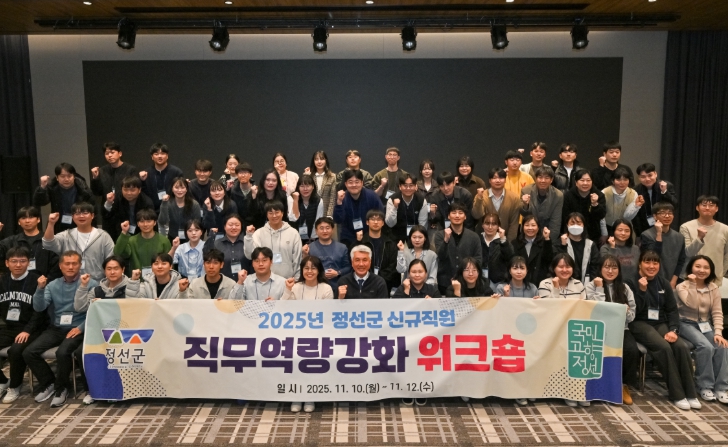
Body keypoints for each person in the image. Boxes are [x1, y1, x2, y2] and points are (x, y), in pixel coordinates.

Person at [627, 250, 700, 410]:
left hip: (660, 323)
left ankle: (691, 393)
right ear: (640, 264)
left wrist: (674, 330)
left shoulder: (663, 283)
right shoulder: (630, 282)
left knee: (681, 346)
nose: (651, 266)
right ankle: (677, 394)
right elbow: (633, 311)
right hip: (638, 323)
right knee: (663, 347)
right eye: (647, 262)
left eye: (655, 263)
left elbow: (672, 310)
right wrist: (642, 291)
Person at [25, 250, 97, 407]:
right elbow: (39, 307)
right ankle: (49, 382)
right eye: (67, 264)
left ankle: (61, 388)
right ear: (60, 266)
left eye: (74, 263)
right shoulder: (52, 285)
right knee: (29, 352)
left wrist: (81, 328)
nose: (70, 267)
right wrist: (40, 289)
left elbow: (96, 312)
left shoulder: (90, 283)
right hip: (57, 328)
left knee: (62, 352)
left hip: (78, 327)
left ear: (80, 265)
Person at [281, 255, 334, 413]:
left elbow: (327, 315)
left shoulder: (326, 288)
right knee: (295, 362)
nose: (309, 271)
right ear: (301, 270)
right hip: (296, 334)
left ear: (319, 270)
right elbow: (282, 309)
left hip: (319, 335)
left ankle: (310, 396)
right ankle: (297, 396)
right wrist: (287, 290)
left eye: (313, 268)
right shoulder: (295, 287)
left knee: (312, 363)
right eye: (306, 268)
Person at [585, 255, 638, 405]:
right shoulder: (590, 286)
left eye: (614, 267)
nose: (610, 271)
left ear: (619, 270)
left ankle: (623, 385)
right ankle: (596, 386)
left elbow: (632, 316)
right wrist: (599, 288)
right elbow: (595, 310)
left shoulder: (625, 288)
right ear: (600, 269)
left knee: (631, 350)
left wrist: (627, 311)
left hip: (621, 328)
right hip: (598, 328)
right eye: (606, 267)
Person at [676, 255, 728, 404]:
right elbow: (691, 304)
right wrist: (693, 284)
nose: (702, 270)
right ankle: (704, 386)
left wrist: (718, 333)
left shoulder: (713, 288)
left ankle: (721, 387)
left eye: (706, 267)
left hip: (705, 324)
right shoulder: (682, 286)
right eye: (698, 266)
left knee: (722, 346)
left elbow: (717, 312)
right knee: (705, 347)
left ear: (710, 270)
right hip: (685, 323)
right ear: (691, 268)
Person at [0, 247, 44, 404]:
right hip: (9, 327)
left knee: (16, 350)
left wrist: (27, 330)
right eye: (14, 261)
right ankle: (3, 381)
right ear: (7, 263)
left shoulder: (37, 281)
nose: (18, 265)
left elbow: (40, 312)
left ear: (28, 263)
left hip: (31, 328)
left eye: (22, 261)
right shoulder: (3, 281)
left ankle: (15, 386)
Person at [42, 203, 114, 281]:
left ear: (92, 215)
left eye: (85, 213)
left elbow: (111, 259)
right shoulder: (66, 235)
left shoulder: (103, 236)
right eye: (77, 213)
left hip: (97, 282)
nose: (81, 216)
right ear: (72, 217)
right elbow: (48, 243)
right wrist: (51, 223)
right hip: (71, 282)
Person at [245, 201, 302, 279]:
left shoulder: (293, 233)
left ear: (282, 213)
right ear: (267, 215)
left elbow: (297, 259)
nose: (274, 216)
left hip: (288, 280)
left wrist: (296, 279)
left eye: (277, 212)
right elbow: (250, 255)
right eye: (270, 213)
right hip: (265, 280)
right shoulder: (259, 233)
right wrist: (248, 237)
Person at [0, 206, 60, 281]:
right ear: (19, 222)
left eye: (31, 217)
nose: (27, 221)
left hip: (44, 282)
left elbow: (56, 263)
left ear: (38, 219)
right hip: (16, 282)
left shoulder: (48, 240)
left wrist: (48, 280)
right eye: (23, 218)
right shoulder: (11, 241)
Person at [434, 202, 482, 294]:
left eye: (460, 213)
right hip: (445, 283)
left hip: (468, 283)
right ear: (448, 216)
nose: (457, 216)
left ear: (465, 216)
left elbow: (478, 260)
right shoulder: (440, 235)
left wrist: (469, 275)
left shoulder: (474, 236)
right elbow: (441, 256)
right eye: (453, 212)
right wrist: (446, 240)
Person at [680, 195, 728, 286]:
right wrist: (699, 238)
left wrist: (720, 273)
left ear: (716, 209)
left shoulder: (725, 229)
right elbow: (688, 253)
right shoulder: (686, 227)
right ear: (697, 208)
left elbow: (727, 256)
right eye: (704, 205)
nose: (707, 208)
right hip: (691, 277)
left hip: (714, 278)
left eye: (711, 205)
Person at [33, 162, 94, 234]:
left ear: (74, 176)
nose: (66, 179)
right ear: (57, 178)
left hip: (80, 223)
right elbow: (39, 202)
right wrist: (43, 187)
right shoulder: (53, 188)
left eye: (69, 176)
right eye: (62, 176)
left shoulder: (83, 189)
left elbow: (93, 209)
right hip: (59, 223)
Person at [333, 169, 383, 247]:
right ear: (345, 184)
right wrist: (339, 202)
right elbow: (338, 220)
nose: (354, 185)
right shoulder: (342, 197)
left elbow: (380, 215)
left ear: (362, 183)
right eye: (350, 182)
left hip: (369, 235)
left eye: (357, 182)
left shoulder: (372, 196)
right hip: (348, 237)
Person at [641, 203, 687, 287]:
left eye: (670, 213)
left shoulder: (679, 237)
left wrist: (674, 281)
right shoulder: (647, 235)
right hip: (652, 280)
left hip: (672, 281)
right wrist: (659, 233)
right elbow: (653, 258)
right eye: (662, 213)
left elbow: (681, 261)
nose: (667, 216)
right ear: (655, 216)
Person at [354, 210, 400, 293]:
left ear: (383, 223)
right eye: (372, 219)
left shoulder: (390, 243)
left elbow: (393, 266)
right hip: (364, 283)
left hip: (384, 284)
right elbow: (355, 262)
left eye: (379, 219)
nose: (376, 222)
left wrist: (380, 279)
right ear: (367, 222)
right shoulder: (361, 242)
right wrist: (370, 278)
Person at [74, 256, 140, 312]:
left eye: (116, 268)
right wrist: (83, 286)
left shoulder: (132, 286)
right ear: (104, 271)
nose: (112, 272)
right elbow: (80, 308)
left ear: (123, 269)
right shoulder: (96, 291)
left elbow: (132, 307)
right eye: (109, 269)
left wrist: (103, 303)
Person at [472, 168, 520, 241]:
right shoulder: (481, 196)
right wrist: (479, 199)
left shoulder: (514, 198)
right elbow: (477, 215)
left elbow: (514, 224)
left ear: (505, 180)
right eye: (494, 178)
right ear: (489, 180)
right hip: (483, 240)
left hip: (504, 239)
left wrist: (508, 243)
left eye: (501, 178)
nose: (498, 181)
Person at [102, 176, 155, 241]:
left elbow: (150, 222)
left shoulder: (147, 202)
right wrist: (109, 203)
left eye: (132, 190)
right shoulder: (117, 198)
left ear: (139, 190)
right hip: (120, 232)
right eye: (125, 190)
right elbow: (107, 217)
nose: (129, 193)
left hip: (140, 234)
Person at [303, 217, 351, 289]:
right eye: (321, 228)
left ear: (332, 230)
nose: (325, 231)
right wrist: (305, 254)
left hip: (336, 286)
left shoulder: (342, 248)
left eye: (327, 228)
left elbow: (348, 267)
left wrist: (337, 273)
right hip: (315, 286)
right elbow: (305, 267)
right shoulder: (309, 248)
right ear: (316, 231)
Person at [633, 163, 679, 236]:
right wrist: (639, 234)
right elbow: (636, 216)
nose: (647, 179)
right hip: (644, 229)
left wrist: (664, 192)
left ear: (655, 174)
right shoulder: (636, 190)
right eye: (643, 177)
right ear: (639, 178)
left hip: (664, 226)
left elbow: (675, 205)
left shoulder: (666, 185)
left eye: (650, 175)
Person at [561, 168, 606, 241]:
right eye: (582, 180)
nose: (585, 183)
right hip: (573, 232)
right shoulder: (568, 196)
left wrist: (595, 204)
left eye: (588, 180)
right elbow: (565, 217)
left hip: (593, 234)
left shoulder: (599, 195)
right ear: (576, 182)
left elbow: (601, 215)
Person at [555, 212, 600, 283]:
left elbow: (595, 266)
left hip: (587, 283)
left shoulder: (591, 244)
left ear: (583, 225)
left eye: (579, 223)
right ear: (567, 225)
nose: (575, 226)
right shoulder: (560, 242)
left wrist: (591, 283)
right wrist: (563, 246)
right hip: (566, 282)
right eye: (572, 223)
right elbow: (557, 263)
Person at [139, 143, 184, 213]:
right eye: (156, 154)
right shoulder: (146, 174)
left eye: (163, 153)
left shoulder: (177, 172)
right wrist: (142, 181)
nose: (160, 156)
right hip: (151, 211)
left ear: (167, 156)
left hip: (172, 210)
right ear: (152, 157)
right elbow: (143, 195)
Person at [520, 166, 563, 238]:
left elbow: (555, 222)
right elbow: (525, 216)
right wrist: (525, 205)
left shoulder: (558, 195)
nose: (543, 180)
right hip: (529, 231)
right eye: (540, 177)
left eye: (546, 178)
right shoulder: (526, 190)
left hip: (547, 231)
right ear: (535, 178)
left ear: (551, 180)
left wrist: (549, 240)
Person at [204, 214, 251, 280]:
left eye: (237, 225)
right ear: (224, 227)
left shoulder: (247, 242)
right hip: (224, 282)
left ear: (241, 227)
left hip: (246, 281)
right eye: (230, 225)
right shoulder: (217, 244)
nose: (234, 227)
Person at [600, 166, 642, 240]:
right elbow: (601, 216)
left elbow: (627, 217)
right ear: (613, 181)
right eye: (618, 179)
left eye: (625, 179)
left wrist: (636, 206)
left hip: (625, 229)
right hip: (607, 228)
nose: (622, 183)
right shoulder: (604, 192)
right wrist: (604, 233)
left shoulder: (633, 193)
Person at [385, 173, 429, 244]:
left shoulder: (421, 200)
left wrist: (416, 239)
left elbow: (422, 225)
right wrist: (394, 207)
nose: (408, 188)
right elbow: (390, 224)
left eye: (411, 185)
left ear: (416, 186)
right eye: (405, 185)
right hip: (396, 237)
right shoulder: (392, 199)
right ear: (400, 187)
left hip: (415, 237)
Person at [158, 177, 202, 245]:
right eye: (176, 187)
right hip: (172, 238)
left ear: (186, 189)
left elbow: (197, 224)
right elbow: (162, 222)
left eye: (182, 188)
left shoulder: (194, 204)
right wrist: (164, 204)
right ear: (172, 189)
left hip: (190, 238)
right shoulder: (167, 203)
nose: (179, 190)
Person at [511, 215, 552, 286]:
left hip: (539, 282)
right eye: (527, 225)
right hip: (520, 282)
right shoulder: (515, 243)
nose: (530, 228)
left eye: (533, 225)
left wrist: (547, 239)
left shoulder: (544, 242)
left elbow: (548, 259)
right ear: (522, 227)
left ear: (538, 228)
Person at [478, 213, 514, 287]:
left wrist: (503, 239)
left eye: (494, 224)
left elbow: (510, 258)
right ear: (482, 225)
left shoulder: (503, 241)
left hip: (498, 282)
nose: (490, 227)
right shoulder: (477, 240)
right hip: (480, 281)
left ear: (498, 226)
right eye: (487, 223)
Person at [288, 175, 324, 245]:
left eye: (308, 186)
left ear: (313, 187)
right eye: (302, 186)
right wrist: (295, 200)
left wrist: (313, 237)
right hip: (294, 236)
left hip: (312, 236)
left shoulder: (319, 200)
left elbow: (318, 220)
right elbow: (293, 218)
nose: (305, 189)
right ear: (298, 187)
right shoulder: (291, 198)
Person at [304, 151, 337, 217]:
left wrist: (329, 215)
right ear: (313, 161)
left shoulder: (332, 176)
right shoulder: (309, 176)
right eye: (316, 159)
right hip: (311, 211)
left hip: (326, 211)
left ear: (326, 160)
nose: (319, 162)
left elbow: (332, 198)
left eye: (322, 159)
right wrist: (306, 176)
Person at [228, 162, 258, 228]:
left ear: (251, 174)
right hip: (238, 225)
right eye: (240, 173)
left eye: (245, 173)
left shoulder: (257, 190)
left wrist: (254, 197)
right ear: (237, 175)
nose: (243, 175)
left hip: (255, 225)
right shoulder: (233, 191)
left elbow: (258, 212)